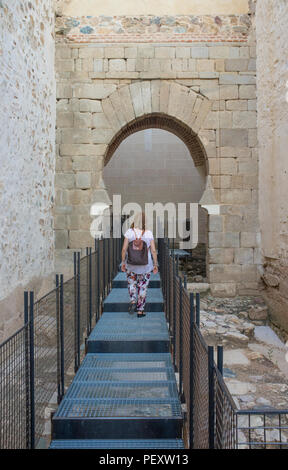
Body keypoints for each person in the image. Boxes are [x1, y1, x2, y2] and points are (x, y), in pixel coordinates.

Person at [121, 212, 158, 317]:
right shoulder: (149, 233)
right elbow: (153, 251)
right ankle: (140, 310)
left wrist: (123, 262)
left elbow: (124, 249)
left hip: (131, 264)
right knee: (143, 287)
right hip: (146, 266)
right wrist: (155, 264)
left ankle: (133, 301)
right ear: (145, 222)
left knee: (131, 283)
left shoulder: (129, 232)